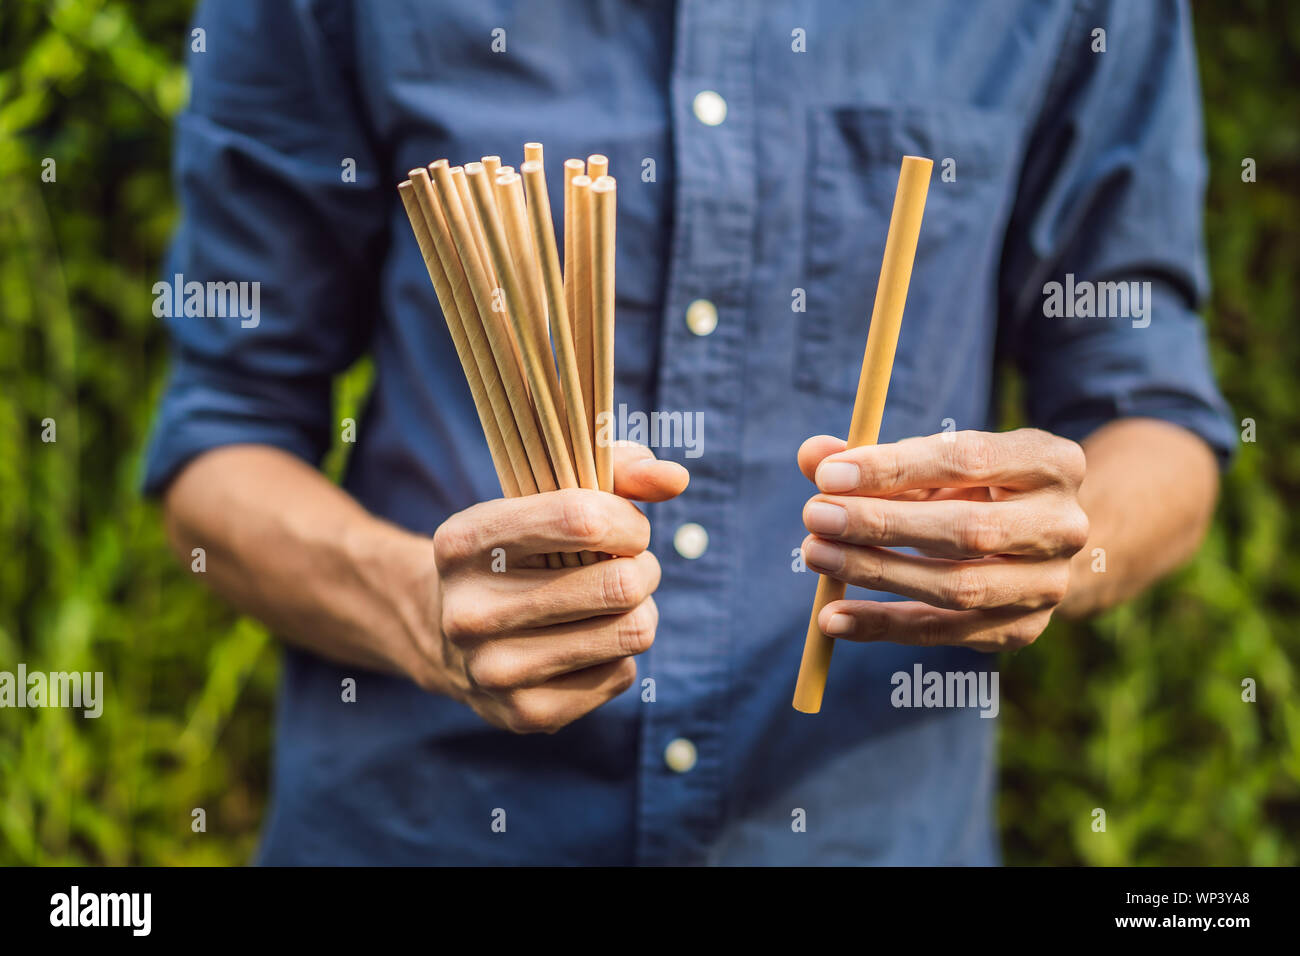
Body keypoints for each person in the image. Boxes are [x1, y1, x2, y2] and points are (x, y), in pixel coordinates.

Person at [146, 0, 1233, 864]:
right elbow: (222, 435)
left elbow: (1156, 419)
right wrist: (415, 606)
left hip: (868, 835)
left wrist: (1057, 540)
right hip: (421, 824)